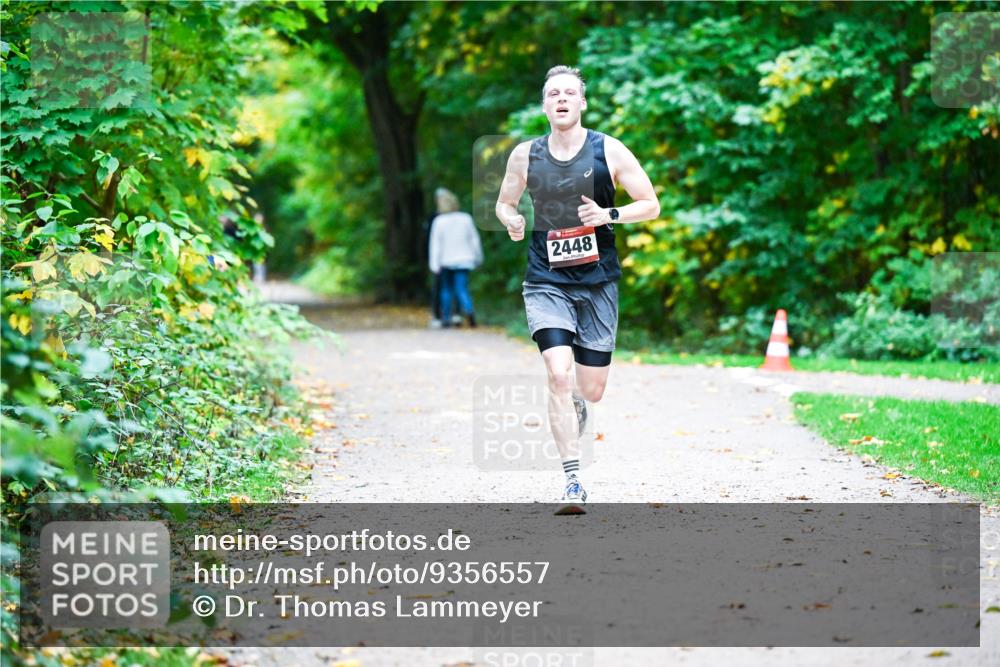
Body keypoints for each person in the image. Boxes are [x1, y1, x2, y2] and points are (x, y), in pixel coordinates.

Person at [495, 65, 660, 514]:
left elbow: (650, 204)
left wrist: (609, 216)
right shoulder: (525, 155)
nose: (562, 99)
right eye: (554, 93)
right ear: (545, 105)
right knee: (558, 373)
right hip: (545, 279)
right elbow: (506, 201)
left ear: (582, 103)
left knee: (590, 389)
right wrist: (511, 220)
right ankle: (572, 481)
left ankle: (575, 404)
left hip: (598, 280)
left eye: (570, 92)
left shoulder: (608, 150)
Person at [428, 187, 483, 328]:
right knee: (461, 288)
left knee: (446, 289)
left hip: (445, 261)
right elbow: (474, 240)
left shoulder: (439, 221)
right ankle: (469, 312)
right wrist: (478, 257)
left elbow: (435, 245)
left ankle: (446, 318)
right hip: (464, 259)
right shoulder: (466, 218)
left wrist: (434, 264)